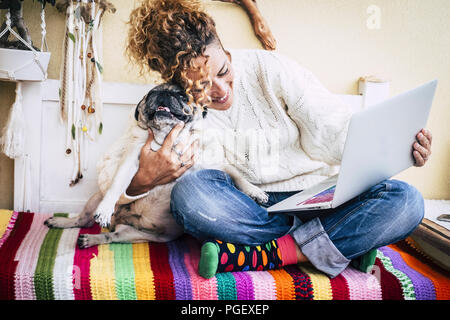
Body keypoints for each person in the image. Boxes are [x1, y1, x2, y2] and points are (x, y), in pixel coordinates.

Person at [122, 0, 432, 279]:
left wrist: (397, 147)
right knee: (190, 197)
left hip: (317, 196)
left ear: (225, 50)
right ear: (176, 83)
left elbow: (334, 130)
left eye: (224, 70)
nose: (219, 90)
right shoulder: (166, 107)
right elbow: (132, 194)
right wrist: (143, 180)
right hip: (247, 206)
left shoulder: (271, 69)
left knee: (407, 200)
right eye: (201, 86)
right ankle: (337, 242)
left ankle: (271, 253)